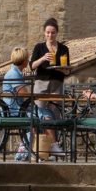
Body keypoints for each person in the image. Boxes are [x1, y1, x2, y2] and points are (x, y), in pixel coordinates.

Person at [30, 17, 70, 157]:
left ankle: (53, 147)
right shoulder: (39, 47)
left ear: (57, 33)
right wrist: (42, 59)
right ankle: (40, 147)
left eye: (52, 32)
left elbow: (67, 70)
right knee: (40, 113)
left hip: (56, 84)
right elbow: (31, 66)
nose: (50, 35)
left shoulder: (64, 48)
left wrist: (63, 69)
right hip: (41, 84)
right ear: (44, 33)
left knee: (55, 114)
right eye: (47, 32)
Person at [1, 47, 32, 162]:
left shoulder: (14, 72)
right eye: (27, 58)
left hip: (13, 109)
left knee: (37, 115)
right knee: (35, 118)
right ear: (24, 60)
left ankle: (28, 151)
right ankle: (23, 153)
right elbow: (23, 92)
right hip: (13, 111)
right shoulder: (14, 74)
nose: (28, 61)